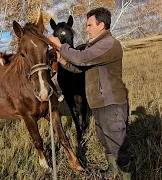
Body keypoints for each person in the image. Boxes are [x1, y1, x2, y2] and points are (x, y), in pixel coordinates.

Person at [48, 7, 134, 179]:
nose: (86, 28)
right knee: (105, 140)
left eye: (89, 25)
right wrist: (63, 60)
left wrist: (60, 45)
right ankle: (112, 171)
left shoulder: (108, 44)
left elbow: (81, 58)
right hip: (99, 103)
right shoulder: (94, 46)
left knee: (118, 144)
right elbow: (80, 67)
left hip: (111, 103)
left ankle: (127, 175)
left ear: (101, 25)